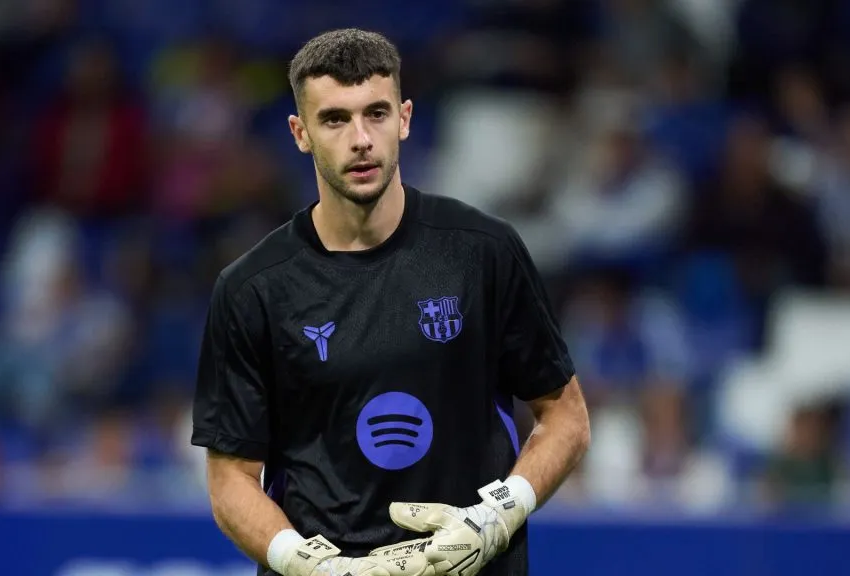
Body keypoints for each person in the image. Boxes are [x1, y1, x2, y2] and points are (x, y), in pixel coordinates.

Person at [193, 28, 591, 576]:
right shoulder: (252, 288)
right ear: (300, 132)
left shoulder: (484, 252)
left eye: (375, 114)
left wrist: (495, 516)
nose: (360, 138)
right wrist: (311, 566)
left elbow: (565, 415)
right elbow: (230, 478)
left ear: (403, 118)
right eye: (334, 119)